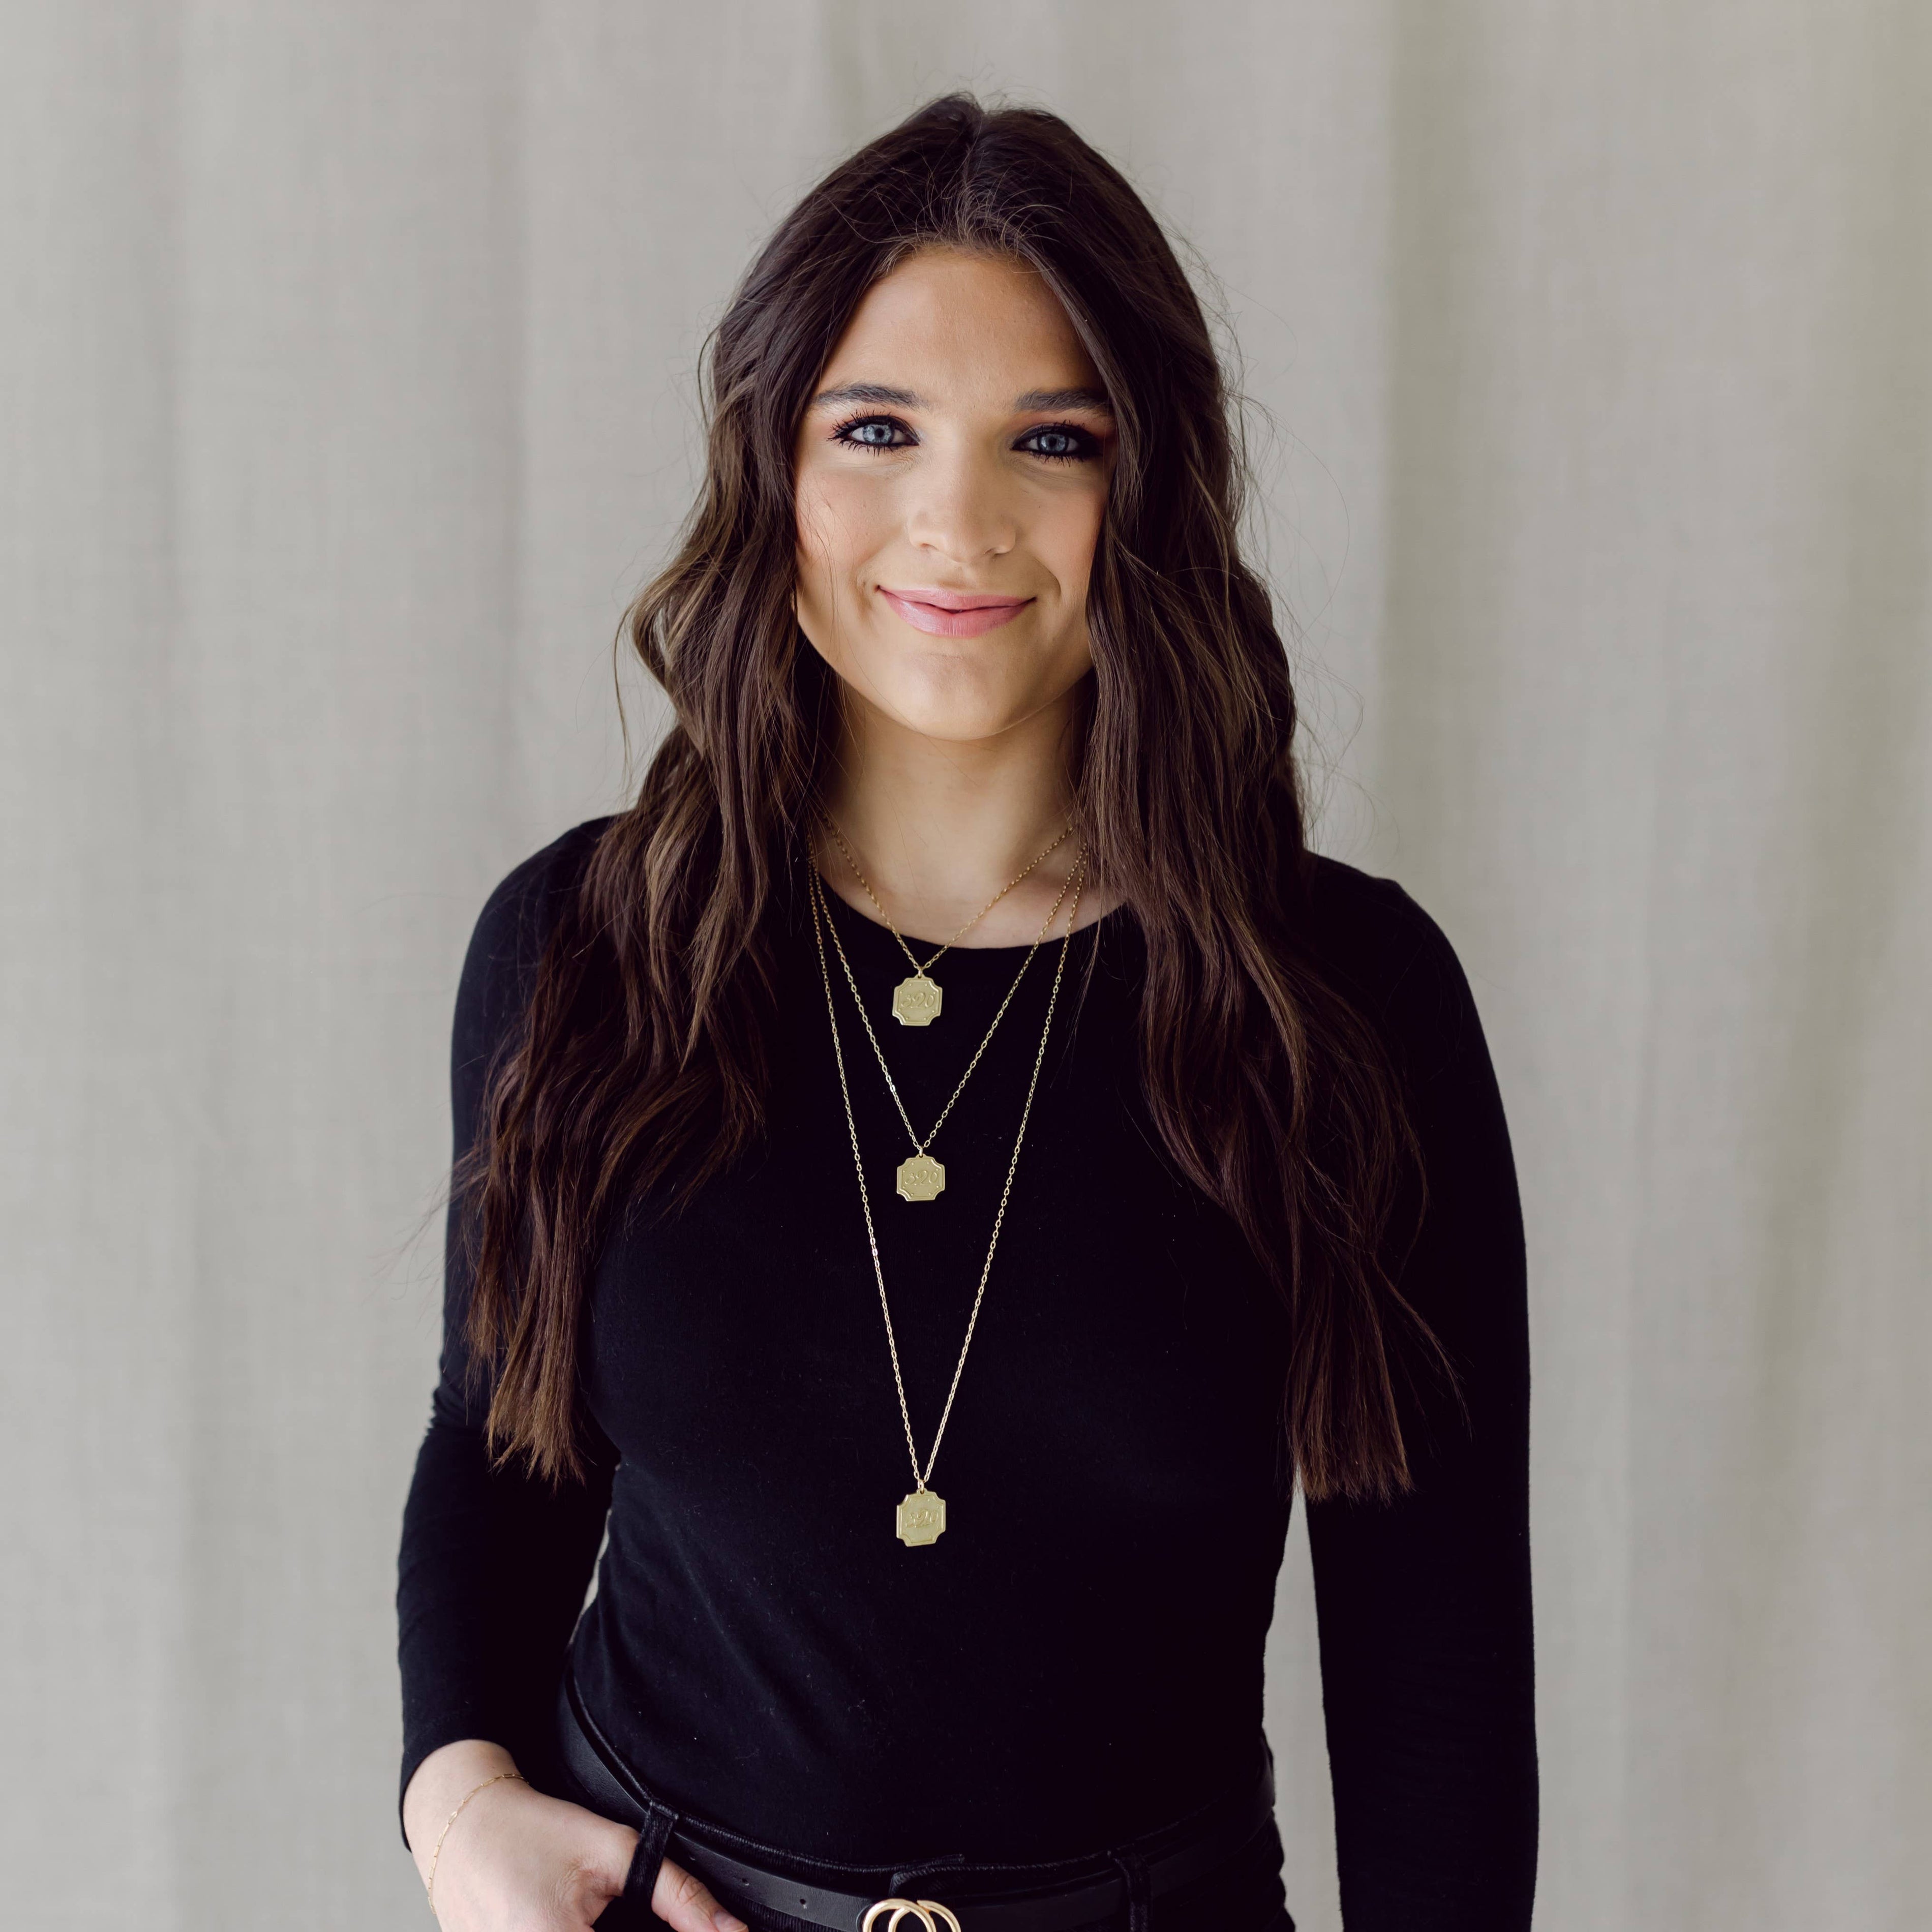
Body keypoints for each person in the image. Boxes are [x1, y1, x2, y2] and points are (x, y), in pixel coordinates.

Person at [395, 93, 1536, 1932]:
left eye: (1051, 441)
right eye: (877, 430)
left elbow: (1437, 1666)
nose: (958, 520)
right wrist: (455, 1805)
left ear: (1145, 489)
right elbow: (500, 1440)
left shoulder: (1346, 1009)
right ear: (775, 465)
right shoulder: (584, 947)